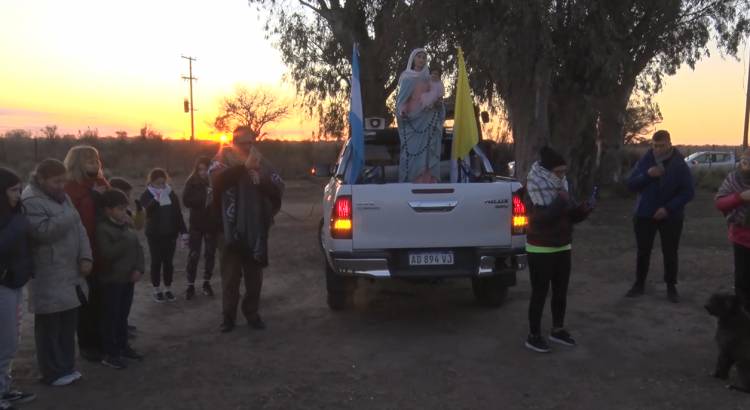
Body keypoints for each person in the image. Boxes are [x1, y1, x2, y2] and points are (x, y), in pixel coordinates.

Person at [22, 159, 92, 386]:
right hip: (49, 274)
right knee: (49, 327)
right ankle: (52, 372)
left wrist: (85, 256)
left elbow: (80, 229)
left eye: (64, 180)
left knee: (67, 324)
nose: (62, 185)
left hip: (70, 272)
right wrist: (70, 215)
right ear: (41, 179)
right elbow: (42, 232)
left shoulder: (62, 197)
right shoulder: (31, 200)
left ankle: (67, 367)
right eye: (57, 181)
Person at [210, 126, 284, 333]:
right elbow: (217, 182)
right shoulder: (220, 161)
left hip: (255, 231)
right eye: (243, 143)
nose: (248, 146)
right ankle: (228, 318)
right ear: (234, 142)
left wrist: (261, 182)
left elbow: (277, 189)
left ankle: (252, 314)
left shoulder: (263, 163)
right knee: (230, 278)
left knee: (254, 279)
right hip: (228, 231)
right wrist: (244, 168)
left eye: (250, 142)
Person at [523, 147, 593, 353]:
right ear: (547, 171)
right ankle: (533, 335)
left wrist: (583, 211)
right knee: (539, 293)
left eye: (564, 172)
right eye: (558, 172)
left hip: (563, 246)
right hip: (540, 248)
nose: (562, 176)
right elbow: (539, 219)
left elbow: (569, 216)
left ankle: (558, 329)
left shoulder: (562, 186)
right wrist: (561, 202)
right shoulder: (532, 188)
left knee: (560, 292)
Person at [625, 130, 694, 302]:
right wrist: (647, 175)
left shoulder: (679, 164)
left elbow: (688, 192)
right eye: (655, 146)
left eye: (662, 145)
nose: (658, 149)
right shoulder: (645, 160)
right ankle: (639, 284)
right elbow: (631, 184)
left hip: (670, 216)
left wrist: (668, 209)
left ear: (670, 144)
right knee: (643, 251)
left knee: (670, 252)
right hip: (644, 214)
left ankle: (671, 287)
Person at [63, 145, 109, 362]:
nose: (95, 164)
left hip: (103, 247)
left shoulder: (100, 183)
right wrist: (92, 195)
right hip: (83, 248)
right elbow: (72, 216)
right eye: (89, 160)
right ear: (77, 163)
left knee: (101, 297)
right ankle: (87, 344)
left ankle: (102, 338)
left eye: (96, 160)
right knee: (86, 300)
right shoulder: (70, 187)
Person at [96, 189, 145, 370]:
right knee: (111, 317)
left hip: (128, 279)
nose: (124, 212)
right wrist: (125, 236)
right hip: (112, 280)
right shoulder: (103, 229)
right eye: (120, 208)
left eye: (125, 208)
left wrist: (139, 268)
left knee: (123, 315)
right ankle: (110, 352)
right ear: (108, 210)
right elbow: (108, 254)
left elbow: (138, 248)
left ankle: (123, 347)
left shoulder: (125, 226)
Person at [0, 168, 36, 409]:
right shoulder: (14, 220)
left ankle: (4, 387)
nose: (19, 194)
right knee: (5, 341)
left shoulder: (15, 215)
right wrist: (19, 225)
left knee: (11, 340)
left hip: (15, 284)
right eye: (13, 190)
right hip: (4, 286)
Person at [396, 48, 446, 183]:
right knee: (412, 156)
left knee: (429, 154)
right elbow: (401, 103)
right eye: (419, 56)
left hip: (429, 122)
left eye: (424, 57)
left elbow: (438, 97)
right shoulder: (407, 78)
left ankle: (429, 183)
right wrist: (403, 113)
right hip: (413, 124)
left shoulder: (429, 79)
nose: (422, 60)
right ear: (413, 59)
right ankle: (412, 184)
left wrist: (438, 105)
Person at [140, 168, 187, 303]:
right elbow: (145, 212)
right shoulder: (147, 194)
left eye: (162, 183)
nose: (161, 186)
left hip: (170, 234)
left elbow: (178, 214)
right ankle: (156, 289)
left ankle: (168, 288)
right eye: (157, 184)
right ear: (151, 182)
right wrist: (156, 199)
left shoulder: (171, 194)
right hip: (154, 235)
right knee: (156, 262)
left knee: (168, 263)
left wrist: (183, 231)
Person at [715, 149, 750, 307]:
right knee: (742, 281)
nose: (747, 165)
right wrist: (740, 197)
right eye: (744, 161)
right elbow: (720, 202)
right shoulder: (734, 178)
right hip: (741, 237)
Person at [182, 157, 218, 300]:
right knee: (193, 255)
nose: (203, 172)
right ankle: (190, 285)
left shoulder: (216, 182)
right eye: (200, 169)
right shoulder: (191, 182)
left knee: (210, 255)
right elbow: (186, 201)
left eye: (205, 169)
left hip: (211, 225)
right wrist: (204, 198)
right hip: (196, 225)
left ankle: (206, 283)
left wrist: (214, 195)